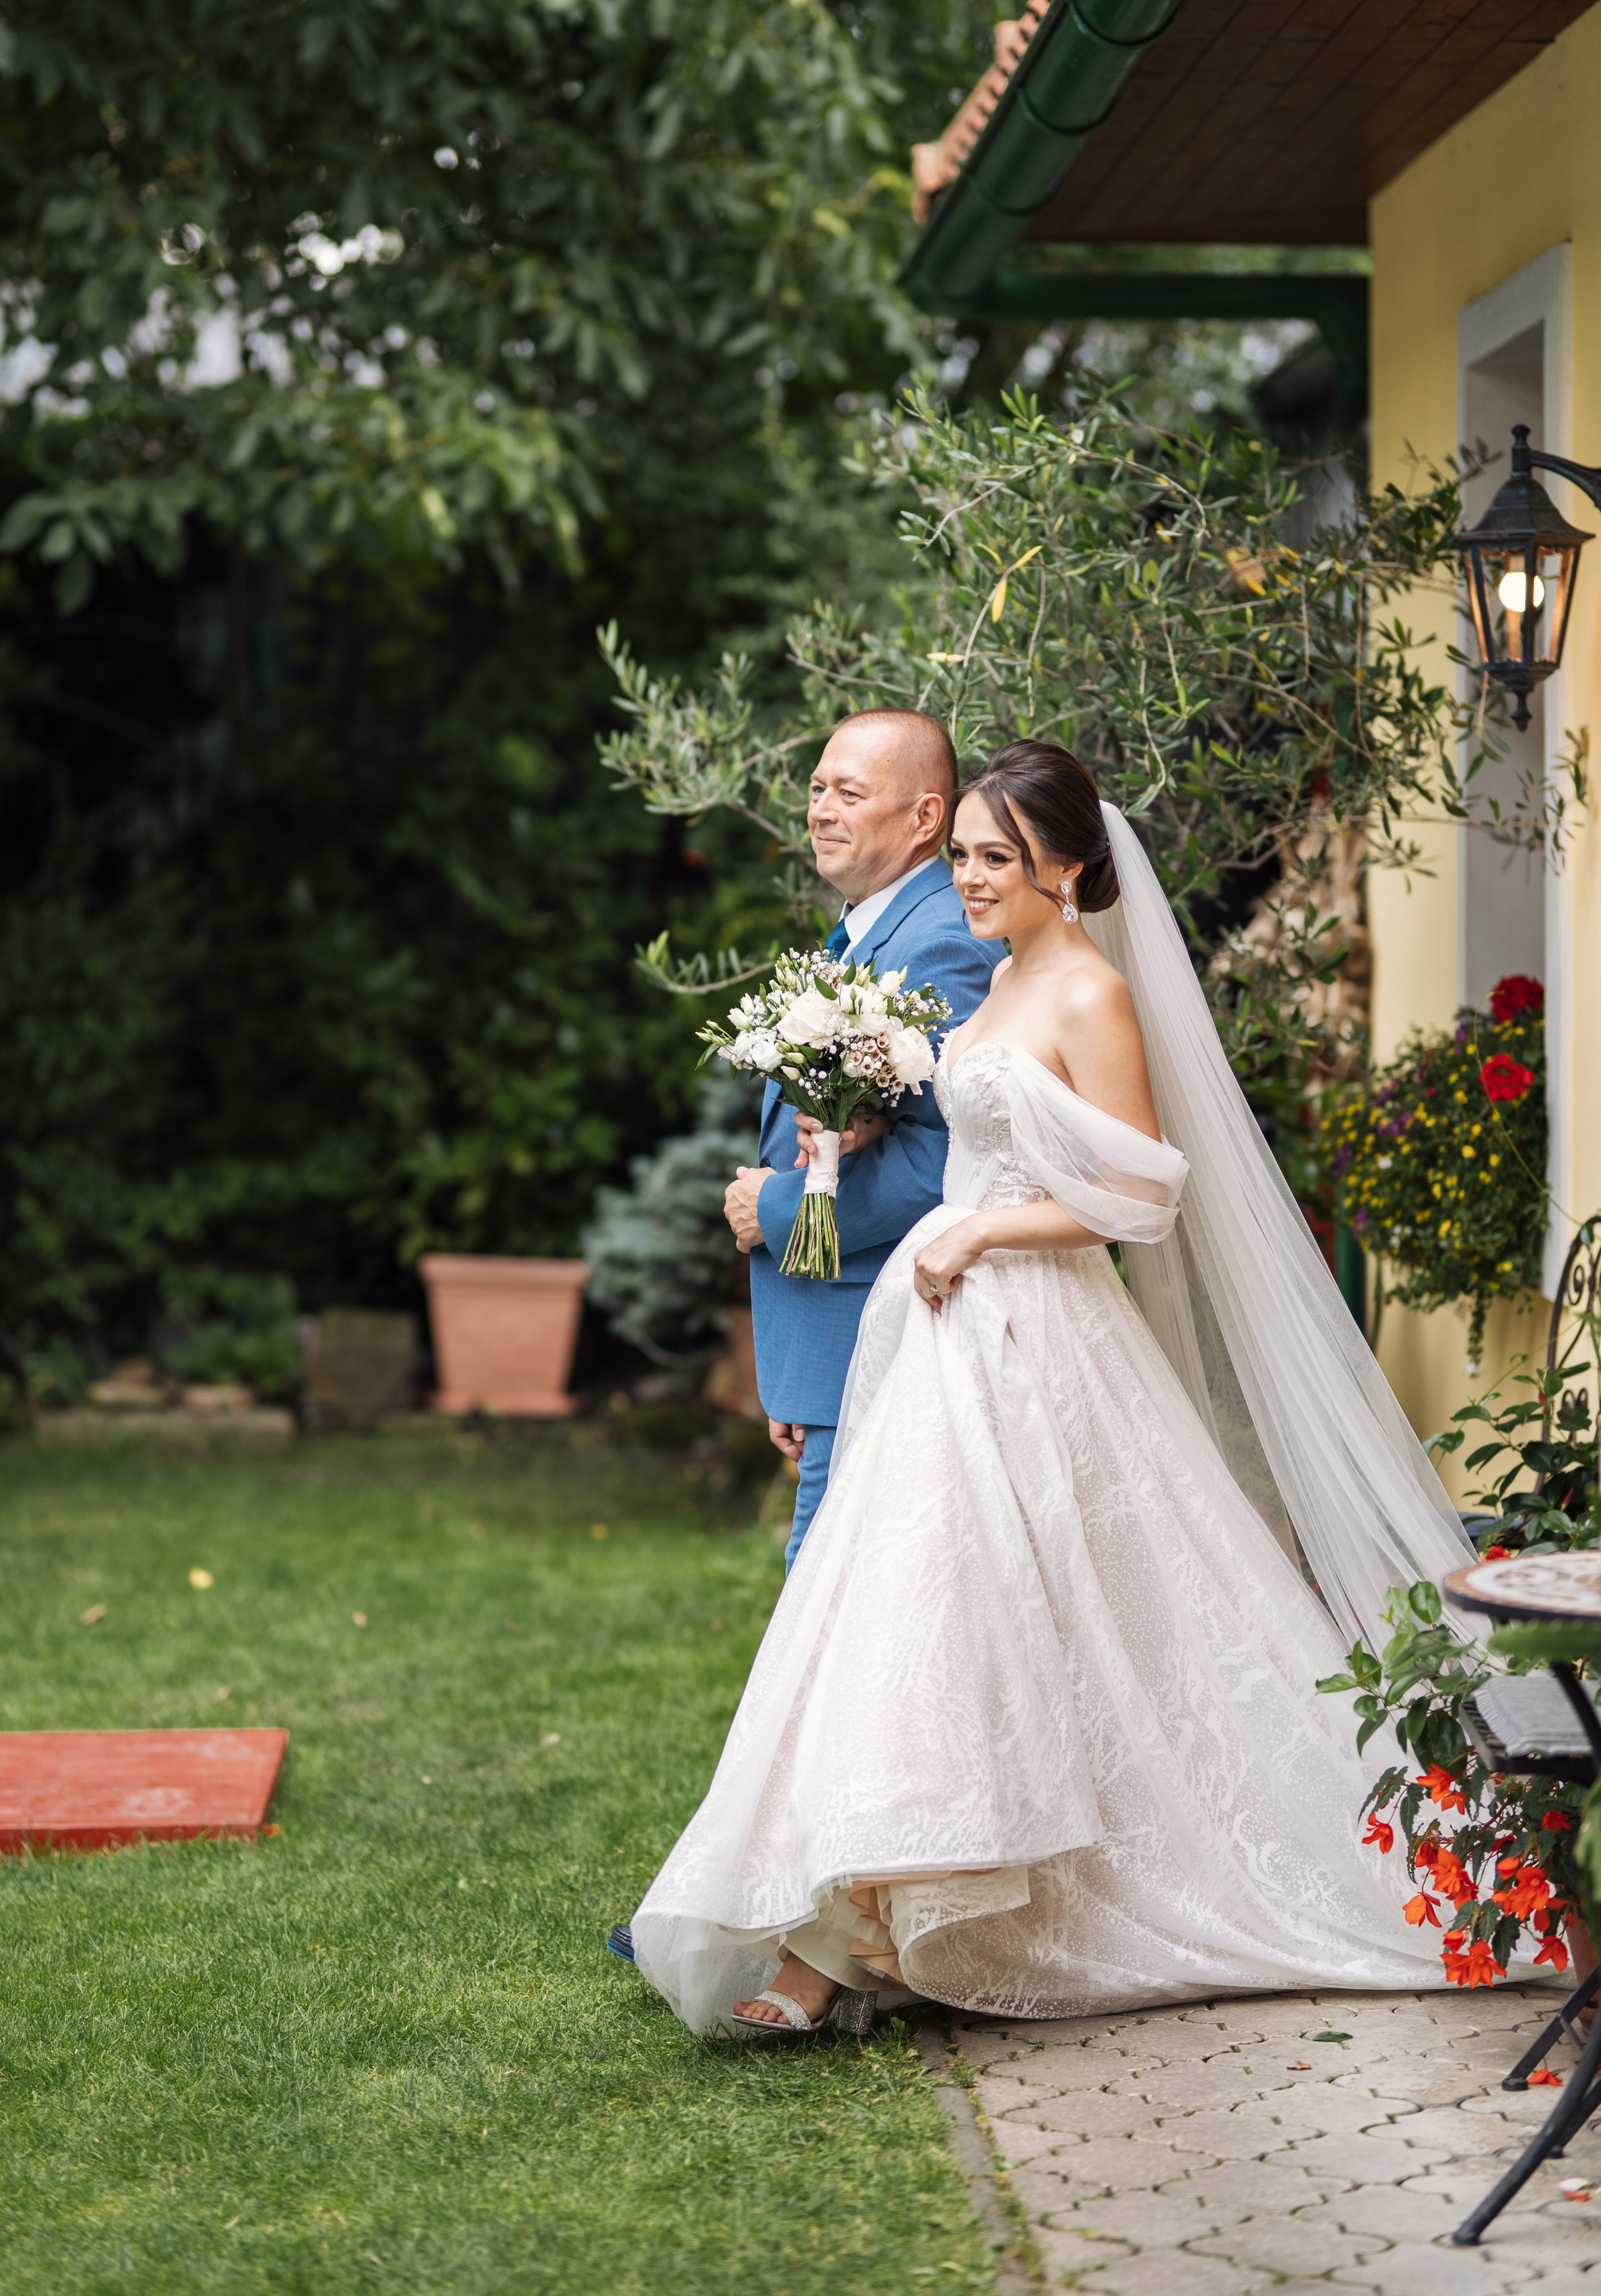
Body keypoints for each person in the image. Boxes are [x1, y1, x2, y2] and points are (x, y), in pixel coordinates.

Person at [630, 741, 1476, 2036]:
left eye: (997, 858)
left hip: (1040, 1340)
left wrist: (983, 1230)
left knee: (1004, 1621)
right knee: (901, 1628)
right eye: (965, 854)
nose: (969, 878)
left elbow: (1141, 1196)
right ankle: (845, 1931)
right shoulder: (1001, 979)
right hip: (947, 1342)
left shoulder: (1088, 993)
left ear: (1067, 869)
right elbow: (979, 1132)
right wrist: (863, 1130)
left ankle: (875, 1938)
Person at [723, 708, 1003, 1570]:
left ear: (925, 817)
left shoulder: (940, 945)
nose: (821, 810)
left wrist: (775, 1210)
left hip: (881, 1341)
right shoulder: (870, 932)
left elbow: (943, 1162)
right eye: (817, 789)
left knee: (824, 1613)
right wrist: (797, 1372)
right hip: (832, 1352)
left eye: (849, 792)